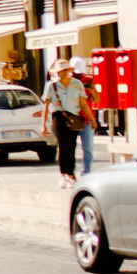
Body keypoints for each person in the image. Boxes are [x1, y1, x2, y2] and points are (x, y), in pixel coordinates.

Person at [48, 56, 98, 184]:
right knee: (68, 147)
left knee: (86, 148)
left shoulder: (84, 81)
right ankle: (70, 173)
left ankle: (86, 171)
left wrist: (90, 88)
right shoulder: (59, 84)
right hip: (70, 118)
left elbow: (95, 100)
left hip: (84, 119)